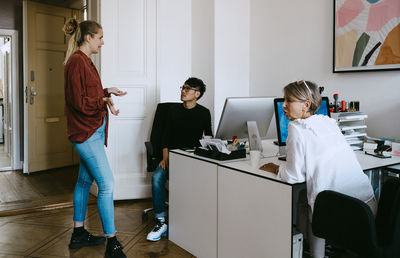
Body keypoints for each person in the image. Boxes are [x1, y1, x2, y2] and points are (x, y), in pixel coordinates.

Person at [259, 80, 376, 258]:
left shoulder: (296, 127)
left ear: (306, 105)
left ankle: (314, 253)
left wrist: (275, 168)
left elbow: (293, 176)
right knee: (305, 195)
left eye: (288, 100)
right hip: (366, 206)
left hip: (341, 211)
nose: (283, 105)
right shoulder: (328, 121)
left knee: (313, 199)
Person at [63, 18, 127, 258]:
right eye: (100, 37)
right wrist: (101, 100)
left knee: (83, 182)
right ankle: (112, 243)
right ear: (88, 37)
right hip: (85, 132)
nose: (103, 41)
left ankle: (78, 234)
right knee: (107, 184)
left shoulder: (85, 61)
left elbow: (86, 94)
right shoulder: (76, 62)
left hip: (93, 129)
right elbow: (78, 103)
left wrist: (105, 92)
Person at [146, 77, 212, 241]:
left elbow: (209, 135)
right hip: (172, 156)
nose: (183, 91)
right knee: (156, 178)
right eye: (182, 87)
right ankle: (161, 220)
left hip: (192, 158)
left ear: (197, 94)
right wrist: (165, 157)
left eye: (187, 89)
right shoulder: (173, 111)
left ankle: (194, 218)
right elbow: (165, 137)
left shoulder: (204, 113)